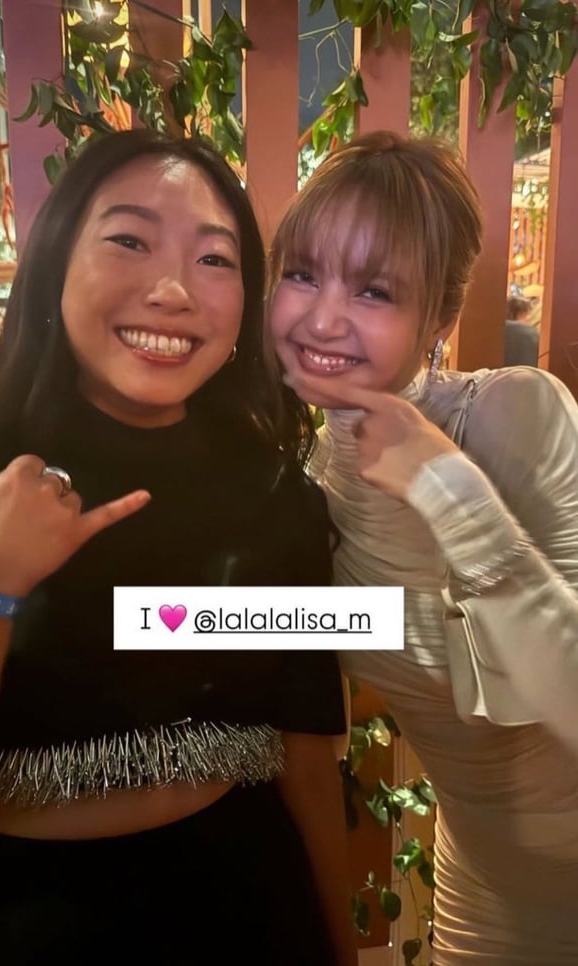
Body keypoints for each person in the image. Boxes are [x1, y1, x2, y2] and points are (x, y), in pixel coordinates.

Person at [0, 130, 356, 966]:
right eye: (129, 240)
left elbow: (308, 753)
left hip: (253, 905)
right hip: (35, 926)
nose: (172, 291)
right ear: (55, 260)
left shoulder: (275, 490)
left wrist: (342, 950)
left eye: (214, 259)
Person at [268, 130, 578, 965]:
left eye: (374, 289)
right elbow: (271, 628)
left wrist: (448, 492)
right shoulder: (308, 483)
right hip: (483, 888)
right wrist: (27, 589)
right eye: (303, 273)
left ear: (439, 317)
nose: (322, 317)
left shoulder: (509, 417)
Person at [505, 294, 539, 366]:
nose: (529, 317)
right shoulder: (532, 332)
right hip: (527, 371)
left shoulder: (496, 330)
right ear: (522, 313)